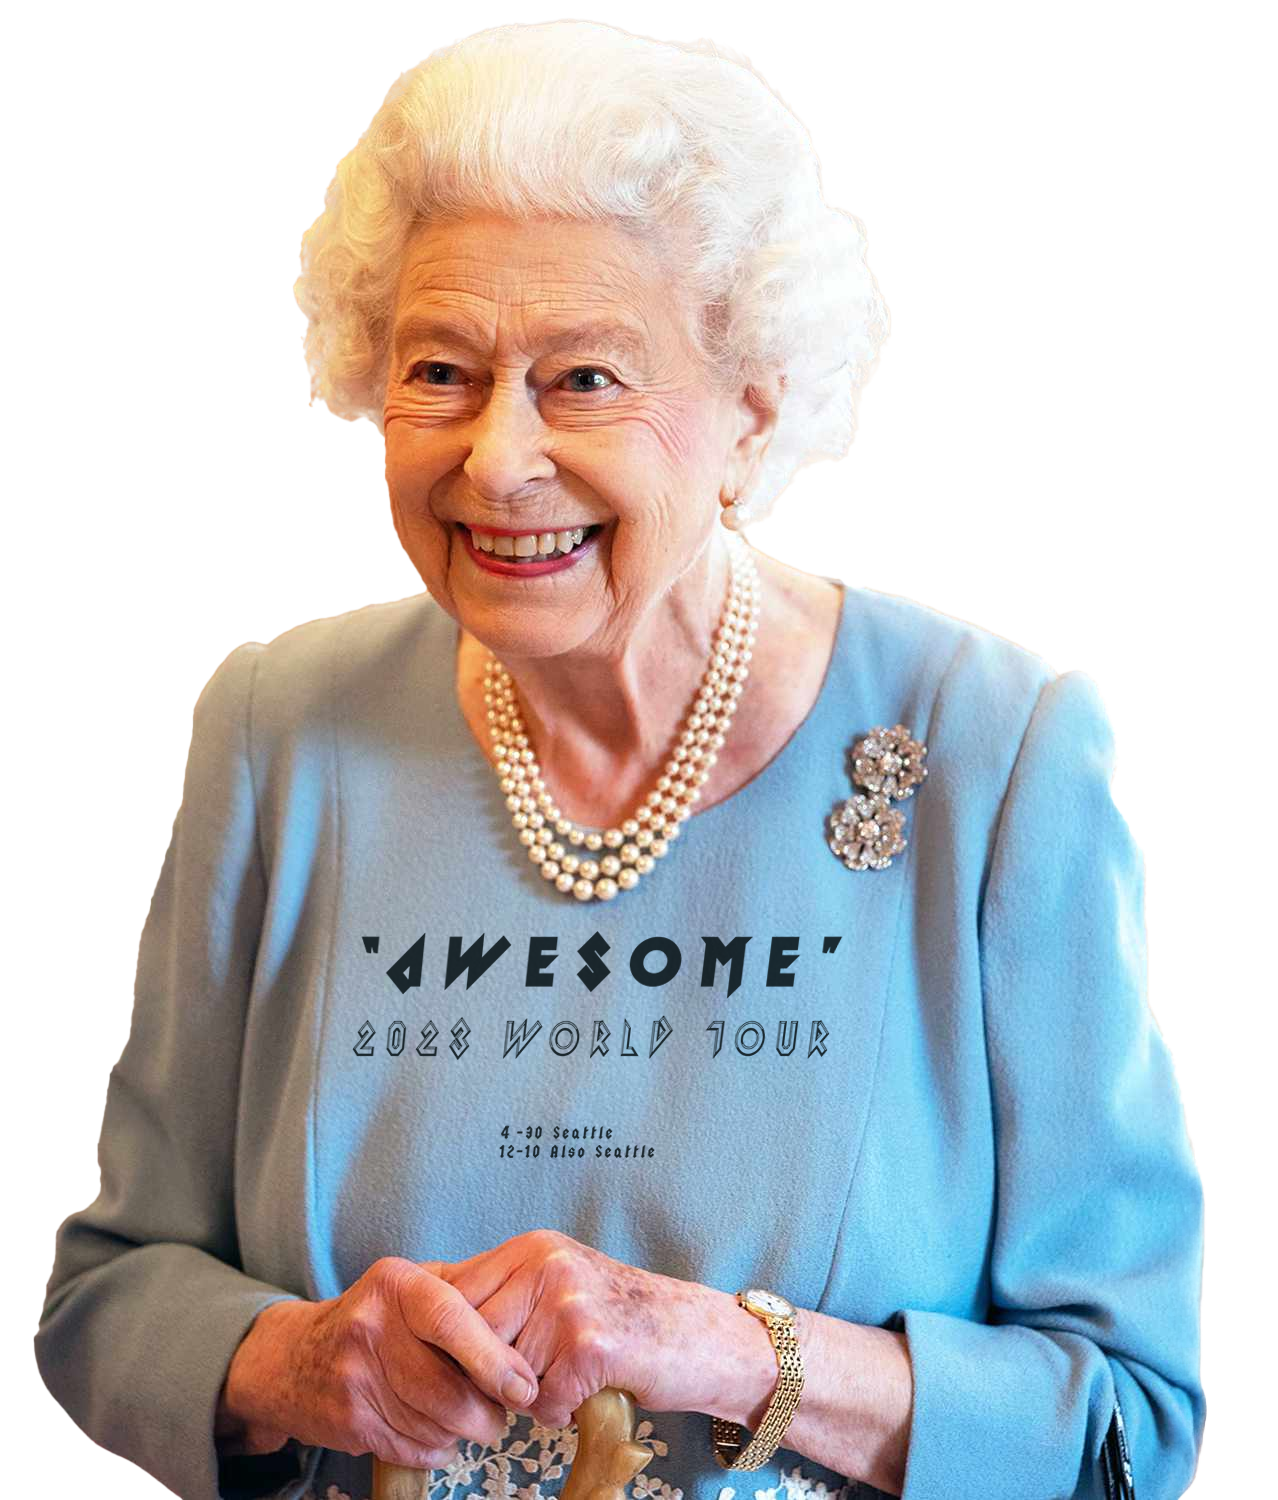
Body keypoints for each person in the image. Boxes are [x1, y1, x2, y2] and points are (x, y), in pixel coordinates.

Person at [35, 19, 1205, 1500]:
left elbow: (1130, 1420)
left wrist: (718, 1349)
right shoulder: (279, 724)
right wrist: (289, 1363)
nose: (495, 459)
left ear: (751, 410)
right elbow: (104, 1306)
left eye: (583, 378)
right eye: (440, 370)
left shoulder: (988, 753)